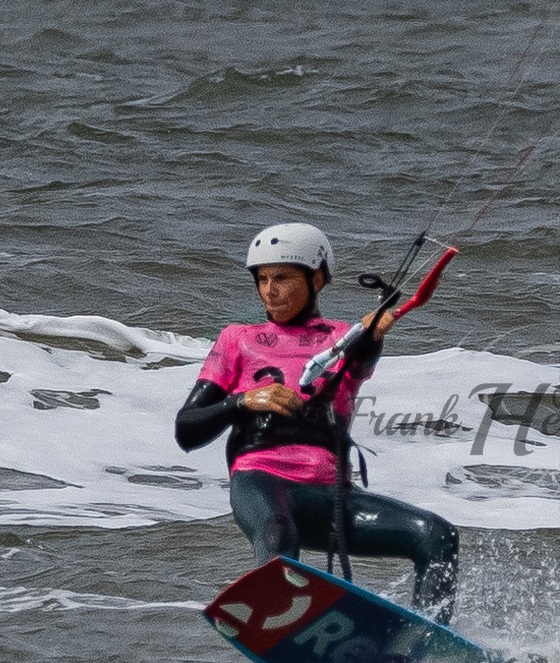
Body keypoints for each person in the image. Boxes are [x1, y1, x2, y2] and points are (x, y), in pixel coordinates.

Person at [175, 222, 459, 624]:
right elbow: (187, 430)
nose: (270, 290)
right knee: (278, 530)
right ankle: (278, 619)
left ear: (318, 279)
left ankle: (429, 641)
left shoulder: (345, 339)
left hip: (330, 496)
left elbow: (364, 355)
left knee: (436, 535)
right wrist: (243, 400)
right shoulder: (237, 339)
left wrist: (374, 334)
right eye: (262, 279)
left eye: (282, 279)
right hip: (262, 482)